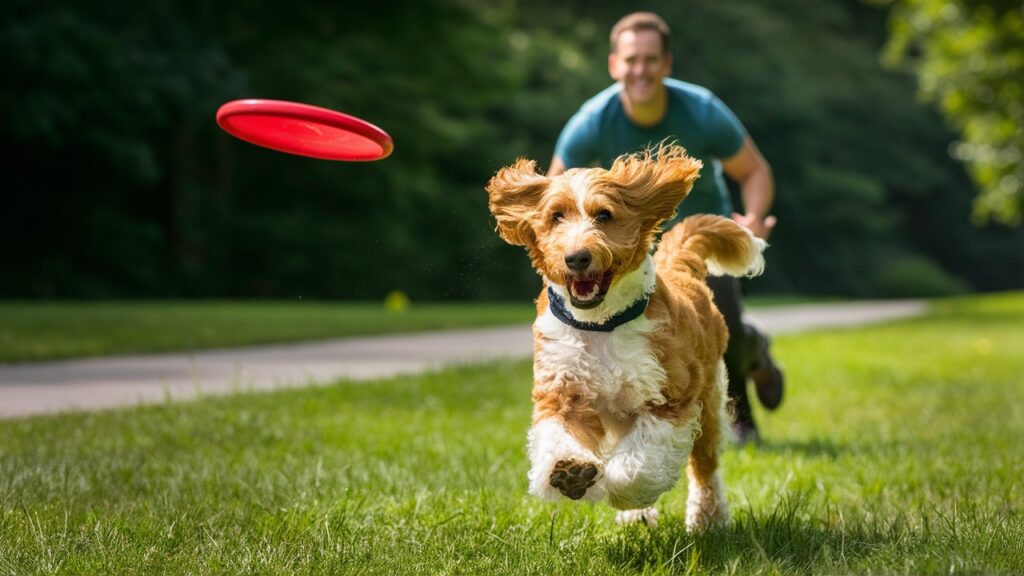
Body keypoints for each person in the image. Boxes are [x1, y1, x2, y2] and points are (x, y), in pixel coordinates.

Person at [547, 11, 783, 445]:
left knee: (721, 324)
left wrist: (751, 219)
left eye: (651, 59)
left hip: (702, 241)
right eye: (632, 59)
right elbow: (555, 189)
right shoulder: (592, 121)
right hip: (632, 250)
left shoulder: (702, 111)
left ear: (667, 64)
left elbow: (755, 171)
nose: (641, 69)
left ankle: (743, 413)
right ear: (614, 64)